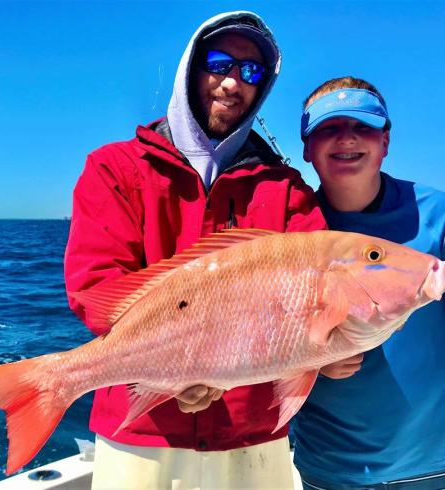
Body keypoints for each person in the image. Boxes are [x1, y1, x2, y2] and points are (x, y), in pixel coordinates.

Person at [63, 11, 326, 489]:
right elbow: (97, 291)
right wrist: (174, 367)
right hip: (142, 432)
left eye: (250, 73)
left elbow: (309, 305)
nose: (232, 84)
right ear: (191, 67)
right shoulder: (114, 168)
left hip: (253, 436)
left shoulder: (288, 191)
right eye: (220, 63)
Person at [292, 76, 445, 490]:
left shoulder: (443, 218)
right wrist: (310, 358)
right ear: (307, 146)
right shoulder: (291, 228)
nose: (347, 138)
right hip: (328, 469)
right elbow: (268, 335)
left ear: (386, 141)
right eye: (329, 128)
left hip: (440, 466)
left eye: (363, 126)